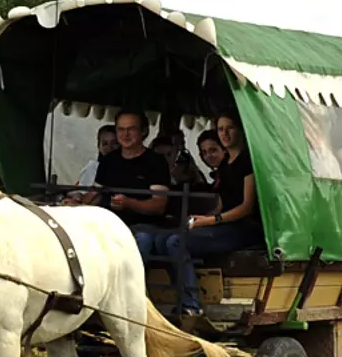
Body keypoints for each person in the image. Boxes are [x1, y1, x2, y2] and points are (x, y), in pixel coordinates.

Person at [159, 113, 261, 318]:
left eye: (229, 128)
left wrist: (212, 220)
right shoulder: (225, 165)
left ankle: (192, 305)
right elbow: (223, 204)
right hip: (225, 224)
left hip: (245, 228)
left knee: (176, 243)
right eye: (221, 129)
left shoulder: (248, 162)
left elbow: (246, 206)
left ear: (240, 130)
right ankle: (179, 296)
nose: (225, 133)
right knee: (162, 240)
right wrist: (202, 219)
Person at [97, 110, 173, 258]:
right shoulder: (108, 161)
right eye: (121, 129)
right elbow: (95, 194)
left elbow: (159, 205)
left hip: (144, 227)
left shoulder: (156, 162)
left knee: (143, 240)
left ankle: (134, 281)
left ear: (143, 131)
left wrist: (129, 203)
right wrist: (75, 202)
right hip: (109, 225)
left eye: (131, 129)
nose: (125, 134)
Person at [65, 124, 118, 203]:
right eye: (105, 144)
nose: (109, 148)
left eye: (114, 143)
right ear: (98, 146)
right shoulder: (92, 168)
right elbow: (81, 193)